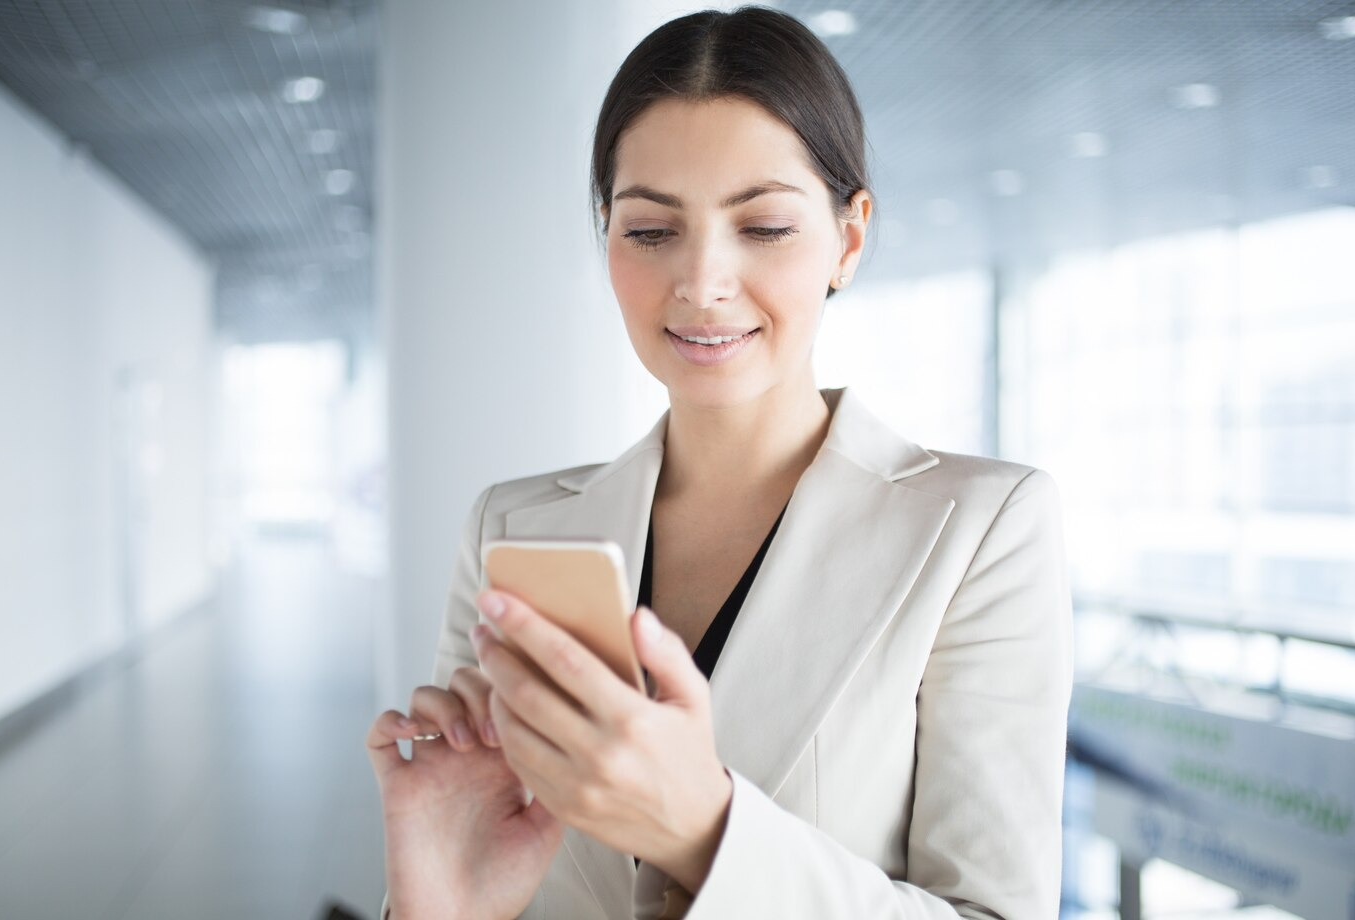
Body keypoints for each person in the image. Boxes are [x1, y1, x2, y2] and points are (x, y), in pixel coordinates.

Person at [364, 6, 1073, 919]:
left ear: (848, 239)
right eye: (651, 231)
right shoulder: (510, 527)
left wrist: (701, 827)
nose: (702, 284)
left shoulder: (981, 530)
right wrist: (437, 903)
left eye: (766, 228)